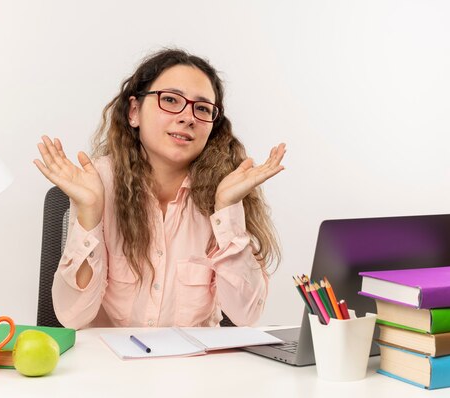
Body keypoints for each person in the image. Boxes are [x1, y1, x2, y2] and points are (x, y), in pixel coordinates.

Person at [34, 49, 286, 329]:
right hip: (111, 368)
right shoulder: (99, 181)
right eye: (170, 100)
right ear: (133, 112)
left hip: (194, 367)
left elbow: (246, 315)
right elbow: (72, 316)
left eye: (202, 108)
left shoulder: (226, 188)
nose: (188, 117)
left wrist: (227, 209)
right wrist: (90, 213)